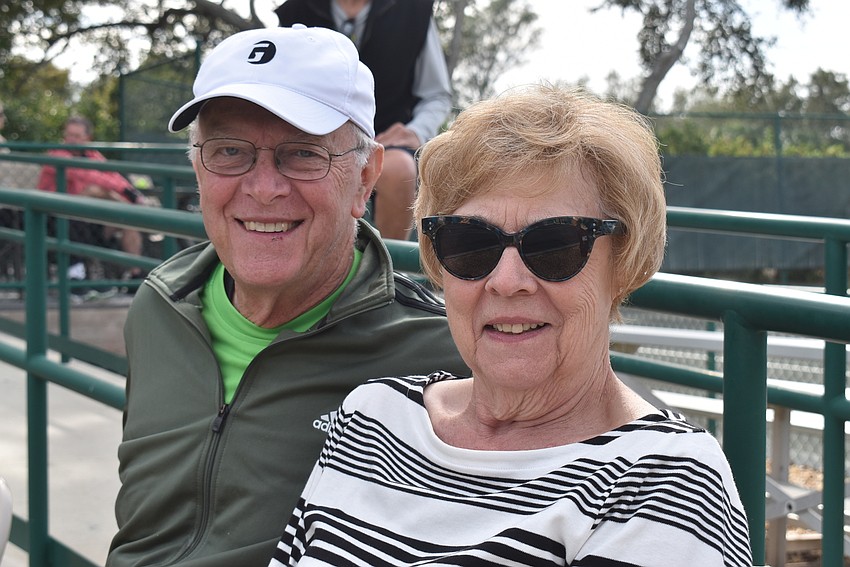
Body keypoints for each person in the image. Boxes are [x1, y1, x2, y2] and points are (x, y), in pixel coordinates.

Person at [269, 84, 753, 566]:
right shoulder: (372, 417)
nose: (506, 281)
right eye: (469, 243)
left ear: (625, 262)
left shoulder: (664, 481)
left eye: (555, 244)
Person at [106, 25, 468, 567]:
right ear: (196, 168)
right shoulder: (159, 304)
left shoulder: (440, 354)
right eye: (229, 151)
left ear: (365, 177)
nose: (263, 188)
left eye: (302, 154)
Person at [275, 0, 452, 241]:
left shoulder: (414, 11)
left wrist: (417, 131)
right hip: (311, 137)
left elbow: (436, 95)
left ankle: (393, 270)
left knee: (397, 170)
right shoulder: (296, 11)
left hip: (385, 141)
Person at [37, 115, 146, 281]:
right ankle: (132, 209)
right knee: (96, 190)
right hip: (55, 217)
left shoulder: (92, 154)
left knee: (127, 221)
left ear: (87, 138)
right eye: (69, 135)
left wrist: (130, 190)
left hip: (88, 218)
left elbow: (110, 174)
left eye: (76, 136)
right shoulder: (57, 153)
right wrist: (126, 191)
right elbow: (86, 173)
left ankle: (135, 274)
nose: (71, 140)